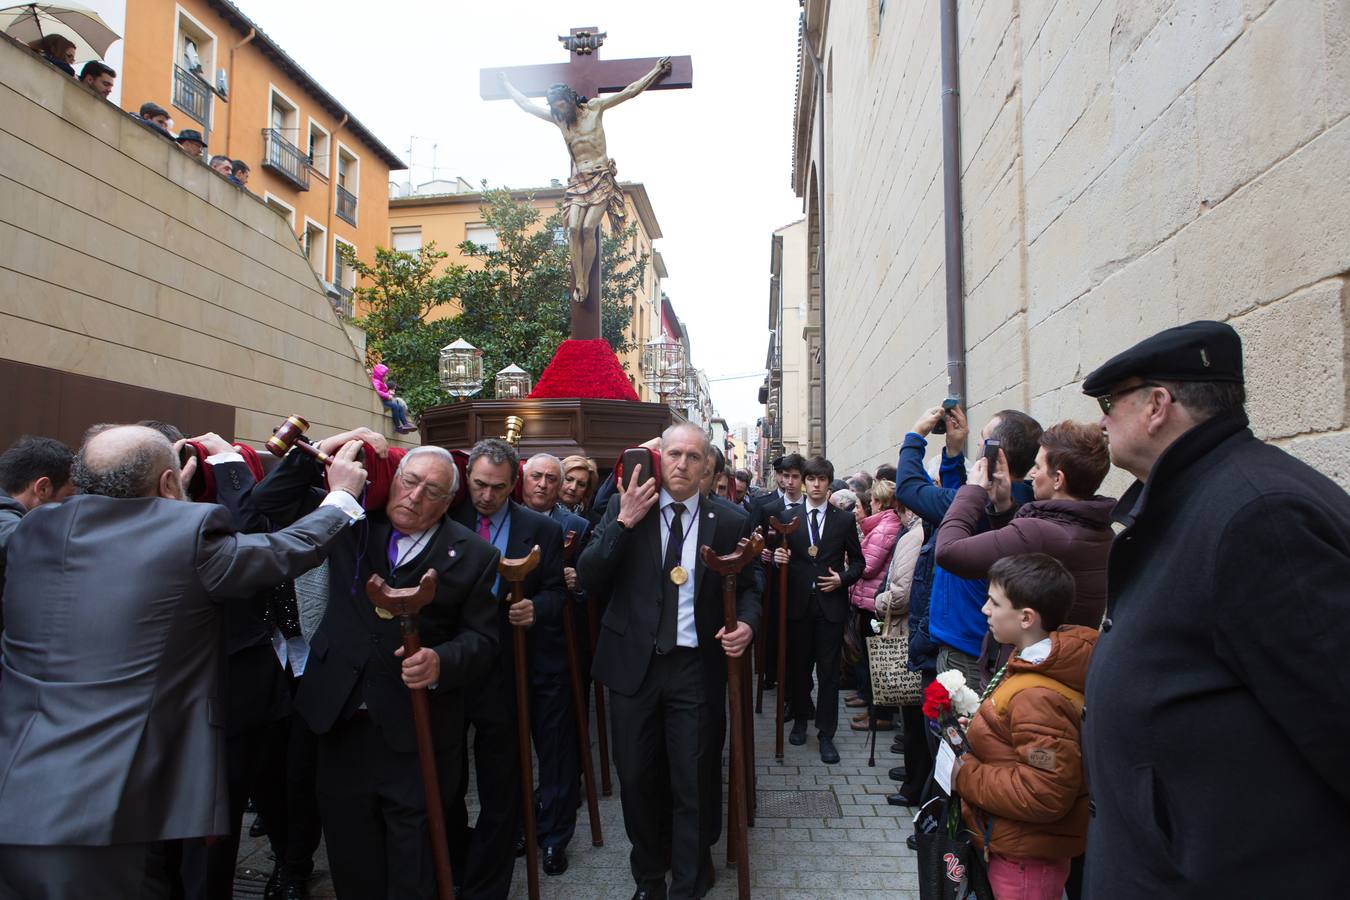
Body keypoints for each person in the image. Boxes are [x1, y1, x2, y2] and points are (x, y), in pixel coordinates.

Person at [0, 425, 365, 899]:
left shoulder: (31, 529)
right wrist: (340, 498)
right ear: (170, 484)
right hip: (105, 815)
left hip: (17, 794)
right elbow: (285, 550)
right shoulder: (188, 539)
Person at [1078, 321, 1350, 896]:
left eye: (1109, 402)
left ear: (1157, 405)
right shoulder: (1198, 496)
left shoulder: (1261, 516)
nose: (1102, 420)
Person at [251, 440, 500, 898]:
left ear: (448, 502)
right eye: (409, 481)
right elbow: (267, 503)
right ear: (393, 480)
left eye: (432, 490)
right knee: (352, 853)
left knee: (414, 857)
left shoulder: (472, 554)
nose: (415, 496)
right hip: (340, 719)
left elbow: (484, 640)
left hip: (416, 727)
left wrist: (440, 661)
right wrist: (335, 447)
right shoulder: (352, 522)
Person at [578, 423, 760, 900]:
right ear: (659, 458)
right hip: (632, 665)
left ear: (707, 468)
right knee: (636, 776)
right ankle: (648, 876)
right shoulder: (625, 505)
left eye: (693, 457)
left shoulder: (731, 521)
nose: (681, 464)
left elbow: (752, 590)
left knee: (694, 774)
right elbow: (590, 578)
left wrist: (746, 625)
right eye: (673, 454)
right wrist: (623, 523)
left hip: (695, 667)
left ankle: (688, 875)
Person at [447, 439, 570, 890]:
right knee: (449, 781)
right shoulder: (448, 517)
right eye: (479, 484)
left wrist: (536, 608)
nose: (487, 496)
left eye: (498, 488)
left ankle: (489, 881)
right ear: (467, 478)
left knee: (503, 780)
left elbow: (559, 593)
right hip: (454, 669)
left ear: (512, 484)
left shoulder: (541, 530)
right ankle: (456, 865)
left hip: (510, 669)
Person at [951, 554, 1096, 900]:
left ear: (1026, 618)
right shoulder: (1028, 663)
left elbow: (1043, 792)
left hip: (1026, 863)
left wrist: (966, 775)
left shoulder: (1038, 695)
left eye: (994, 602)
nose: (985, 609)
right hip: (1015, 847)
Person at [499, 57, 671, 308]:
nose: (560, 110)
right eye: (555, 106)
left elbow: (630, 92)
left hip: (601, 177)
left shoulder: (595, 109)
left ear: (570, 99)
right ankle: (579, 279)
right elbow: (526, 105)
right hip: (577, 181)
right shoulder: (560, 122)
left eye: (562, 105)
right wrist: (505, 84)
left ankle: (585, 280)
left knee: (589, 228)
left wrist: (655, 71)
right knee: (571, 229)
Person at [897, 404, 1041, 689]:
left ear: (994, 454)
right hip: (981, 643)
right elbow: (961, 506)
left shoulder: (986, 505)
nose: (977, 442)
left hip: (963, 653)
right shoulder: (1024, 504)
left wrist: (915, 435)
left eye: (982, 438)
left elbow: (909, 488)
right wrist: (954, 451)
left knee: (951, 731)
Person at [935, 420, 1114, 629]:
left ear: (1058, 479)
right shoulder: (1100, 530)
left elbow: (948, 552)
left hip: (1035, 658)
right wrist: (1004, 507)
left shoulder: (1042, 533)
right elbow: (1024, 560)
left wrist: (972, 490)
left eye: (1038, 466)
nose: (1032, 473)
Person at [773, 455, 864, 765]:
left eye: (821, 480)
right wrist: (777, 560)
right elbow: (780, 555)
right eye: (810, 479)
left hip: (830, 607)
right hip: (798, 605)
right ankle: (800, 720)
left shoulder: (843, 520)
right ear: (803, 482)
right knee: (799, 668)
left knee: (828, 674)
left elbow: (860, 562)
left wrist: (842, 578)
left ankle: (826, 733)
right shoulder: (790, 517)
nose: (814, 484)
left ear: (828, 484)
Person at [846, 480, 905, 732]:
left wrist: (852, 558)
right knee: (868, 658)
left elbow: (868, 566)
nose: (868, 506)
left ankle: (880, 714)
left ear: (880, 503)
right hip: (869, 599)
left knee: (876, 660)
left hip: (875, 602)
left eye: (870, 502)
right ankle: (872, 709)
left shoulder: (886, 527)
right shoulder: (882, 526)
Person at [0, 436, 75, 626]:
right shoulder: (11, 529)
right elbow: (15, 538)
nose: (69, 507)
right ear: (42, 488)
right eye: (67, 497)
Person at [749, 453, 806, 692]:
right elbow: (753, 537)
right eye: (785, 476)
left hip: (801, 582)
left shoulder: (809, 506)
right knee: (773, 631)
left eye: (794, 476)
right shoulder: (766, 506)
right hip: (773, 581)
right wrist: (760, 551)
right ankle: (771, 674)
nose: (789, 481)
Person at [370, 363, 417, 434]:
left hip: (386, 400)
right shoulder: (377, 382)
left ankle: (405, 424)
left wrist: (388, 394)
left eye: (387, 376)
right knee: (395, 406)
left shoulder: (382, 382)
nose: (386, 378)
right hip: (381, 401)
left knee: (400, 407)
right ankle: (398, 426)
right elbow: (377, 391)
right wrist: (387, 395)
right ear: (379, 376)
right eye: (384, 376)